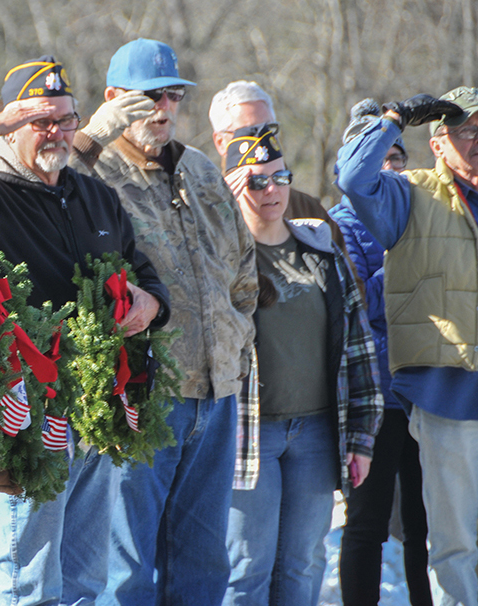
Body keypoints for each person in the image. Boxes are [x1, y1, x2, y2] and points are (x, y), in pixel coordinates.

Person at [0, 54, 171, 606]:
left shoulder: (92, 193)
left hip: (96, 403)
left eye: (66, 120)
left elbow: (138, 267)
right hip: (29, 409)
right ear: (12, 123)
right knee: (30, 577)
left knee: (87, 577)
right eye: (41, 121)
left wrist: (150, 303)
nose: (56, 133)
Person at [68, 38, 256, 605]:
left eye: (173, 95)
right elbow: (34, 191)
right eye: (149, 96)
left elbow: (243, 270)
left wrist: (236, 340)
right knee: (126, 568)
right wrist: (91, 136)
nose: (163, 108)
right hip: (141, 396)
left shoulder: (199, 168)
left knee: (202, 565)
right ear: (113, 100)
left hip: (215, 392)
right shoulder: (90, 173)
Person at [335, 87, 478, 605]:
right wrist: (394, 119)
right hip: (449, 400)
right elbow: (352, 178)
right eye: (465, 130)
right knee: (451, 548)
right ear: (438, 144)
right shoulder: (411, 196)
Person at [223, 125, 382, 605]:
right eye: (255, 182)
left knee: (302, 563)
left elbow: (358, 344)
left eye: (279, 177)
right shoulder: (220, 256)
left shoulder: (320, 250)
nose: (271, 191)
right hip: (249, 434)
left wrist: (361, 436)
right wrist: (224, 218)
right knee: (247, 566)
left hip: (316, 433)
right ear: (233, 187)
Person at [329, 99, 431, 606]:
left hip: (427, 390)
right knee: (367, 523)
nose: (391, 167)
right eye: (378, 157)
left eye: (397, 157)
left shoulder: (421, 211)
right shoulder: (336, 225)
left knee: (423, 523)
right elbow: (354, 304)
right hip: (375, 396)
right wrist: (405, 264)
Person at [209, 80, 335, 225]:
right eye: (248, 133)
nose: (261, 141)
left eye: (268, 129)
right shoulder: (205, 211)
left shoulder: (307, 210)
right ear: (220, 142)